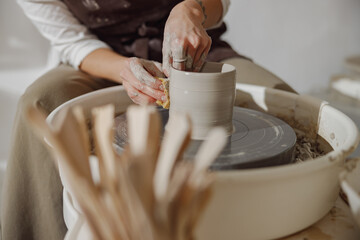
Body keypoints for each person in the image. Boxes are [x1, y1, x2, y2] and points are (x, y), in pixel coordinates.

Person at [1, 0, 296, 239]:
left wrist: (191, 9)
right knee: (39, 103)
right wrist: (124, 71)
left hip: (193, 48)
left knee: (286, 104)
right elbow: (73, 42)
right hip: (105, 57)